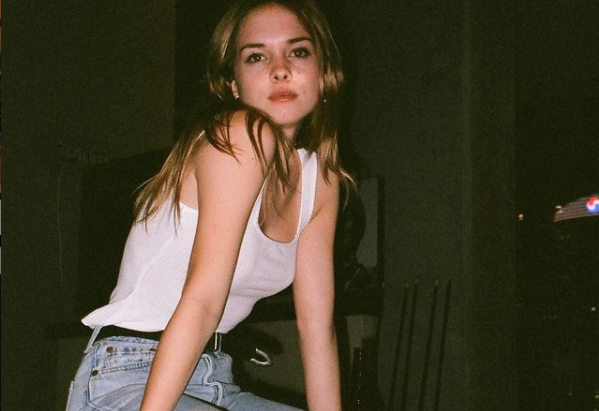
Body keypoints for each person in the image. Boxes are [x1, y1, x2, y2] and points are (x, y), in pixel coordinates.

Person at [66, 0, 350, 409]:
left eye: (298, 51)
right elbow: (203, 299)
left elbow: (317, 329)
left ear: (324, 73)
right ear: (233, 84)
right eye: (256, 57)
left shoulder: (320, 181)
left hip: (216, 376)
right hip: (128, 374)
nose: (280, 69)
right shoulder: (240, 134)